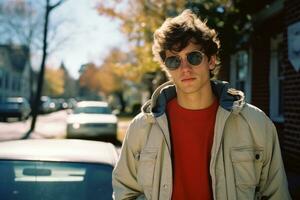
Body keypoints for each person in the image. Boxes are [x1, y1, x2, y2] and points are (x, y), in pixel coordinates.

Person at [112, 9, 291, 200]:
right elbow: (125, 193)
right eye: (174, 60)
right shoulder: (142, 128)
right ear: (167, 68)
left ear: (211, 60)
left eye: (194, 57)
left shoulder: (256, 123)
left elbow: (276, 194)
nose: (185, 68)